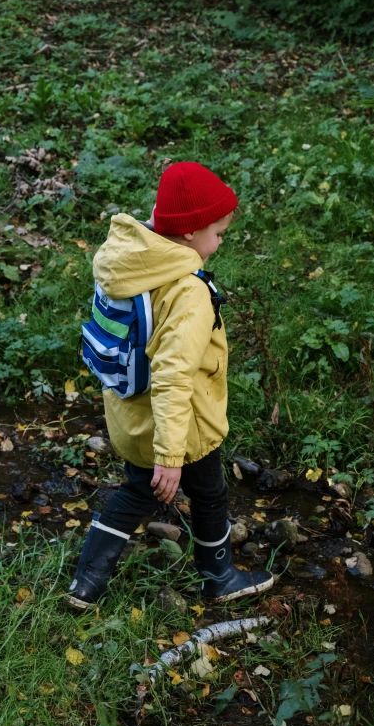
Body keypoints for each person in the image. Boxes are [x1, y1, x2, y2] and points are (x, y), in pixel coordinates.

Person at [66, 162, 274, 610]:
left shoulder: (128, 261)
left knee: (135, 491)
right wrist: (170, 456)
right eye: (217, 233)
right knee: (209, 494)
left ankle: (85, 584)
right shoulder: (186, 291)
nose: (219, 243)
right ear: (188, 233)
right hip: (185, 427)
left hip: (131, 416)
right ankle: (219, 578)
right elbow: (175, 375)